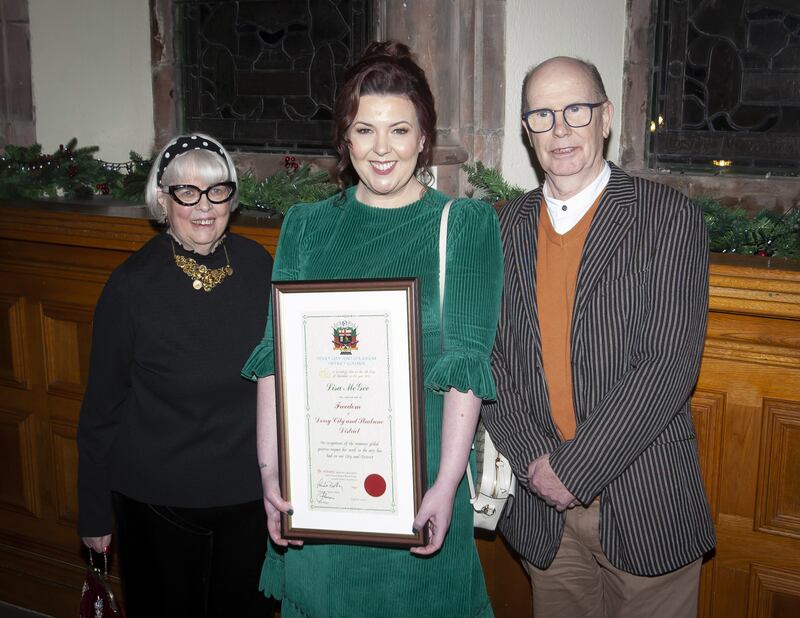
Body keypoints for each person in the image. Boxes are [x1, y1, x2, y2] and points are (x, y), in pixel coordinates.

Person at [242, 41, 503, 617]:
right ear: (344, 138)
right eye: (365, 130)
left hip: (420, 497)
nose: (382, 149)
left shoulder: (463, 226)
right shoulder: (306, 227)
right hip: (323, 501)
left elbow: (465, 366)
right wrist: (271, 474)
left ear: (423, 137)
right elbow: (274, 361)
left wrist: (444, 486)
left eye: (399, 130)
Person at [482, 56, 716, 617]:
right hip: (541, 510)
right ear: (525, 128)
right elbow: (486, 359)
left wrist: (576, 468)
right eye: (541, 114)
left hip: (643, 497)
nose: (559, 129)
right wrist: (536, 461)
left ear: (605, 118)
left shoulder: (667, 218)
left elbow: (668, 364)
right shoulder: (499, 227)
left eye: (576, 110)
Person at [77, 133, 273, 617]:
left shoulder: (259, 266)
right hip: (158, 509)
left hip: (251, 502)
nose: (203, 206)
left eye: (216, 190)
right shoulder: (131, 287)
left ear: (231, 196)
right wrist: (93, 512)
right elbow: (101, 411)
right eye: (186, 192)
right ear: (162, 200)